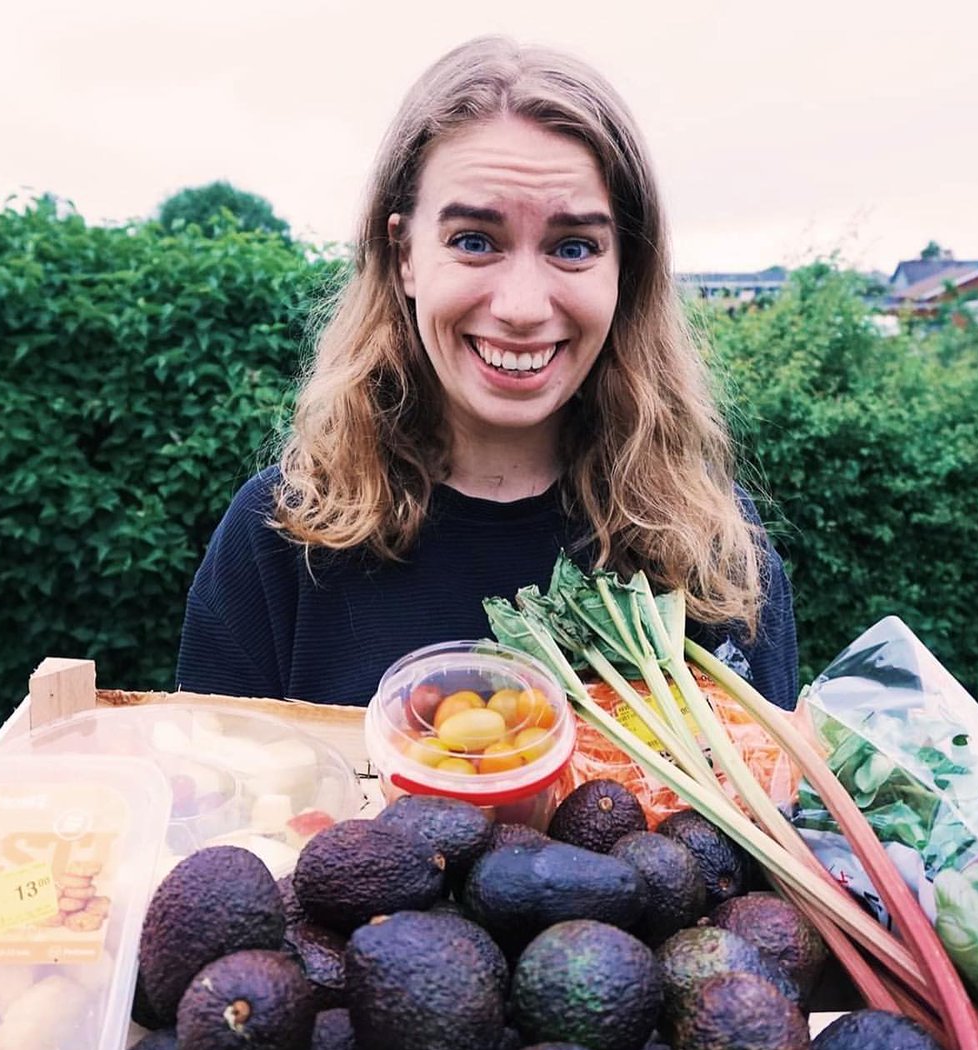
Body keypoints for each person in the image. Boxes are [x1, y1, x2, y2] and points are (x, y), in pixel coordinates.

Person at [176, 36, 798, 711]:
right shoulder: (279, 539)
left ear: (627, 271)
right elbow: (218, 804)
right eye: (474, 241)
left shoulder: (706, 542)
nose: (522, 308)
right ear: (404, 256)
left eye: (574, 247)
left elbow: (762, 805)